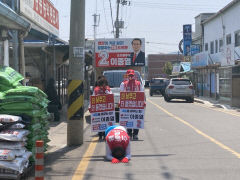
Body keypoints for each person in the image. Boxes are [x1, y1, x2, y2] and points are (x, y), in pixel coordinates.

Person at [120, 69, 144, 140]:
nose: (130, 77)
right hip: (127, 105)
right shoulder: (123, 84)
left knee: (136, 118)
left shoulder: (139, 83)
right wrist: (120, 102)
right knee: (129, 118)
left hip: (137, 105)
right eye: (129, 75)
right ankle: (129, 133)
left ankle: (135, 134)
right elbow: (122, 94)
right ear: (127, 76)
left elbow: (142, 93)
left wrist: (143, 101)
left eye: (132, 75)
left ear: (134, 76)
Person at [91, 75, 112, 140]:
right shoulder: (96, 90)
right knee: (99, 121)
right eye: (101, 84)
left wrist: (106, 92)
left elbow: (111, 96)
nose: (103, 85)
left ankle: (105, 135)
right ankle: (100, 135)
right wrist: (90, 106)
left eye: (104, 84)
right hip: (99, 109)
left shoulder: (108, 89)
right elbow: (93, 98)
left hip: (106, 109)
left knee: (105, 122)